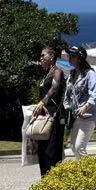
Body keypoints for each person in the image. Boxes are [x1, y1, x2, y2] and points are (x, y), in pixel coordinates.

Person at [28, 46, 68, 177]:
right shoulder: (45, 74)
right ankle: (44, 179)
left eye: (43, 56)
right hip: (45, 114)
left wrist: (42, 102)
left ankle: (55, 180)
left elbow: (54, 89)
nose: (40, 59)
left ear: (51, 57)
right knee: (42, 150)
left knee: (52, 150)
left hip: (55, 115)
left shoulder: (57, 71)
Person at [66, 47, 96, 159]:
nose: (69, 58)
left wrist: (86, 106)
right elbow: (67, 95)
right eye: (69, 56)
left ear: (79, 59)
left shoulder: (90, 74)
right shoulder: (72, 75)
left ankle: (89, 173)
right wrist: (67, 108)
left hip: (88, 116)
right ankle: (82, 171)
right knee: (73, 147)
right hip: (75, 116)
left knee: (79, 147)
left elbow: (95, 94)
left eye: (72, 56)